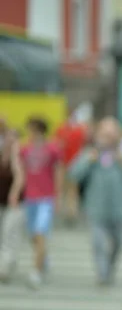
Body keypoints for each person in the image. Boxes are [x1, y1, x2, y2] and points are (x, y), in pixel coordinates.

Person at [69, 117, 122, 286]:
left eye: (111, 134)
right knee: (98, 242)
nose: (107, 138)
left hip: (118, 209)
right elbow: (73, 175)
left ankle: (110, 266)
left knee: (118, 243)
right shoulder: (89, 153)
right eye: (104, 133)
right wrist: (88, 161)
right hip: (96, 207)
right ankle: (102, 273)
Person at [20, 117, 63, 289]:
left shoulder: (52, 148)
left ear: (39, 130)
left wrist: (58, 196)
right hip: (29, 197)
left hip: (46, 197)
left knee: (40, 233)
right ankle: (43, 258)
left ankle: (35, 272)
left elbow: (59, 171)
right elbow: (20, 171)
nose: (29, 133)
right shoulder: (24, 149)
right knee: (33, 236)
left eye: (31, 129)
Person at [0, 128, 25, 282]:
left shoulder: (20, 158)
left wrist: (14, 193)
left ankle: (5, 267)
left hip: (14, 203)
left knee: (9, 234)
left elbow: (20, 177)